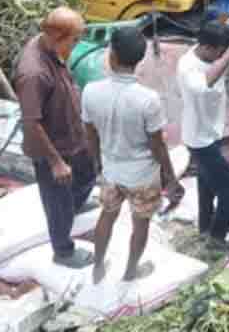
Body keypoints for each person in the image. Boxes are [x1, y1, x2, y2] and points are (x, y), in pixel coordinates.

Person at [84, 27, 184, 283]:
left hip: (111, 171)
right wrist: (171, 179)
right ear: (139, 59)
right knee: (140, 223)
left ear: (111, 55)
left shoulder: (91, 91)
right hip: (142, 176)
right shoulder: (148, 99)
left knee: (107, 215)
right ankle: (130, 272)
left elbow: (91, 134)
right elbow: (157, 146)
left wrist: (97, 164)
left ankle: (98, 267)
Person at [13, 7, 97, 269]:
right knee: (57, 200)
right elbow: (31, 122)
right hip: (52, 147)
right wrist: (56, 162)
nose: (77, 45)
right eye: (74, 40)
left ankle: (75, 204)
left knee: (88, 173)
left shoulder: (50, 46)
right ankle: (63, 251)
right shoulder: (33, 73)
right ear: (57, 36)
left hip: (71, 133)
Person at [177, 22, 229, 252]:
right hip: (199, 139)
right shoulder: (188, 66)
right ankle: (217, 238)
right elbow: (203, 85)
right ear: (207, 47)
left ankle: (205, 227)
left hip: (209, 132)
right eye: (219, 51)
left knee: (206, 184)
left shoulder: (208, 53)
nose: (222, 56)